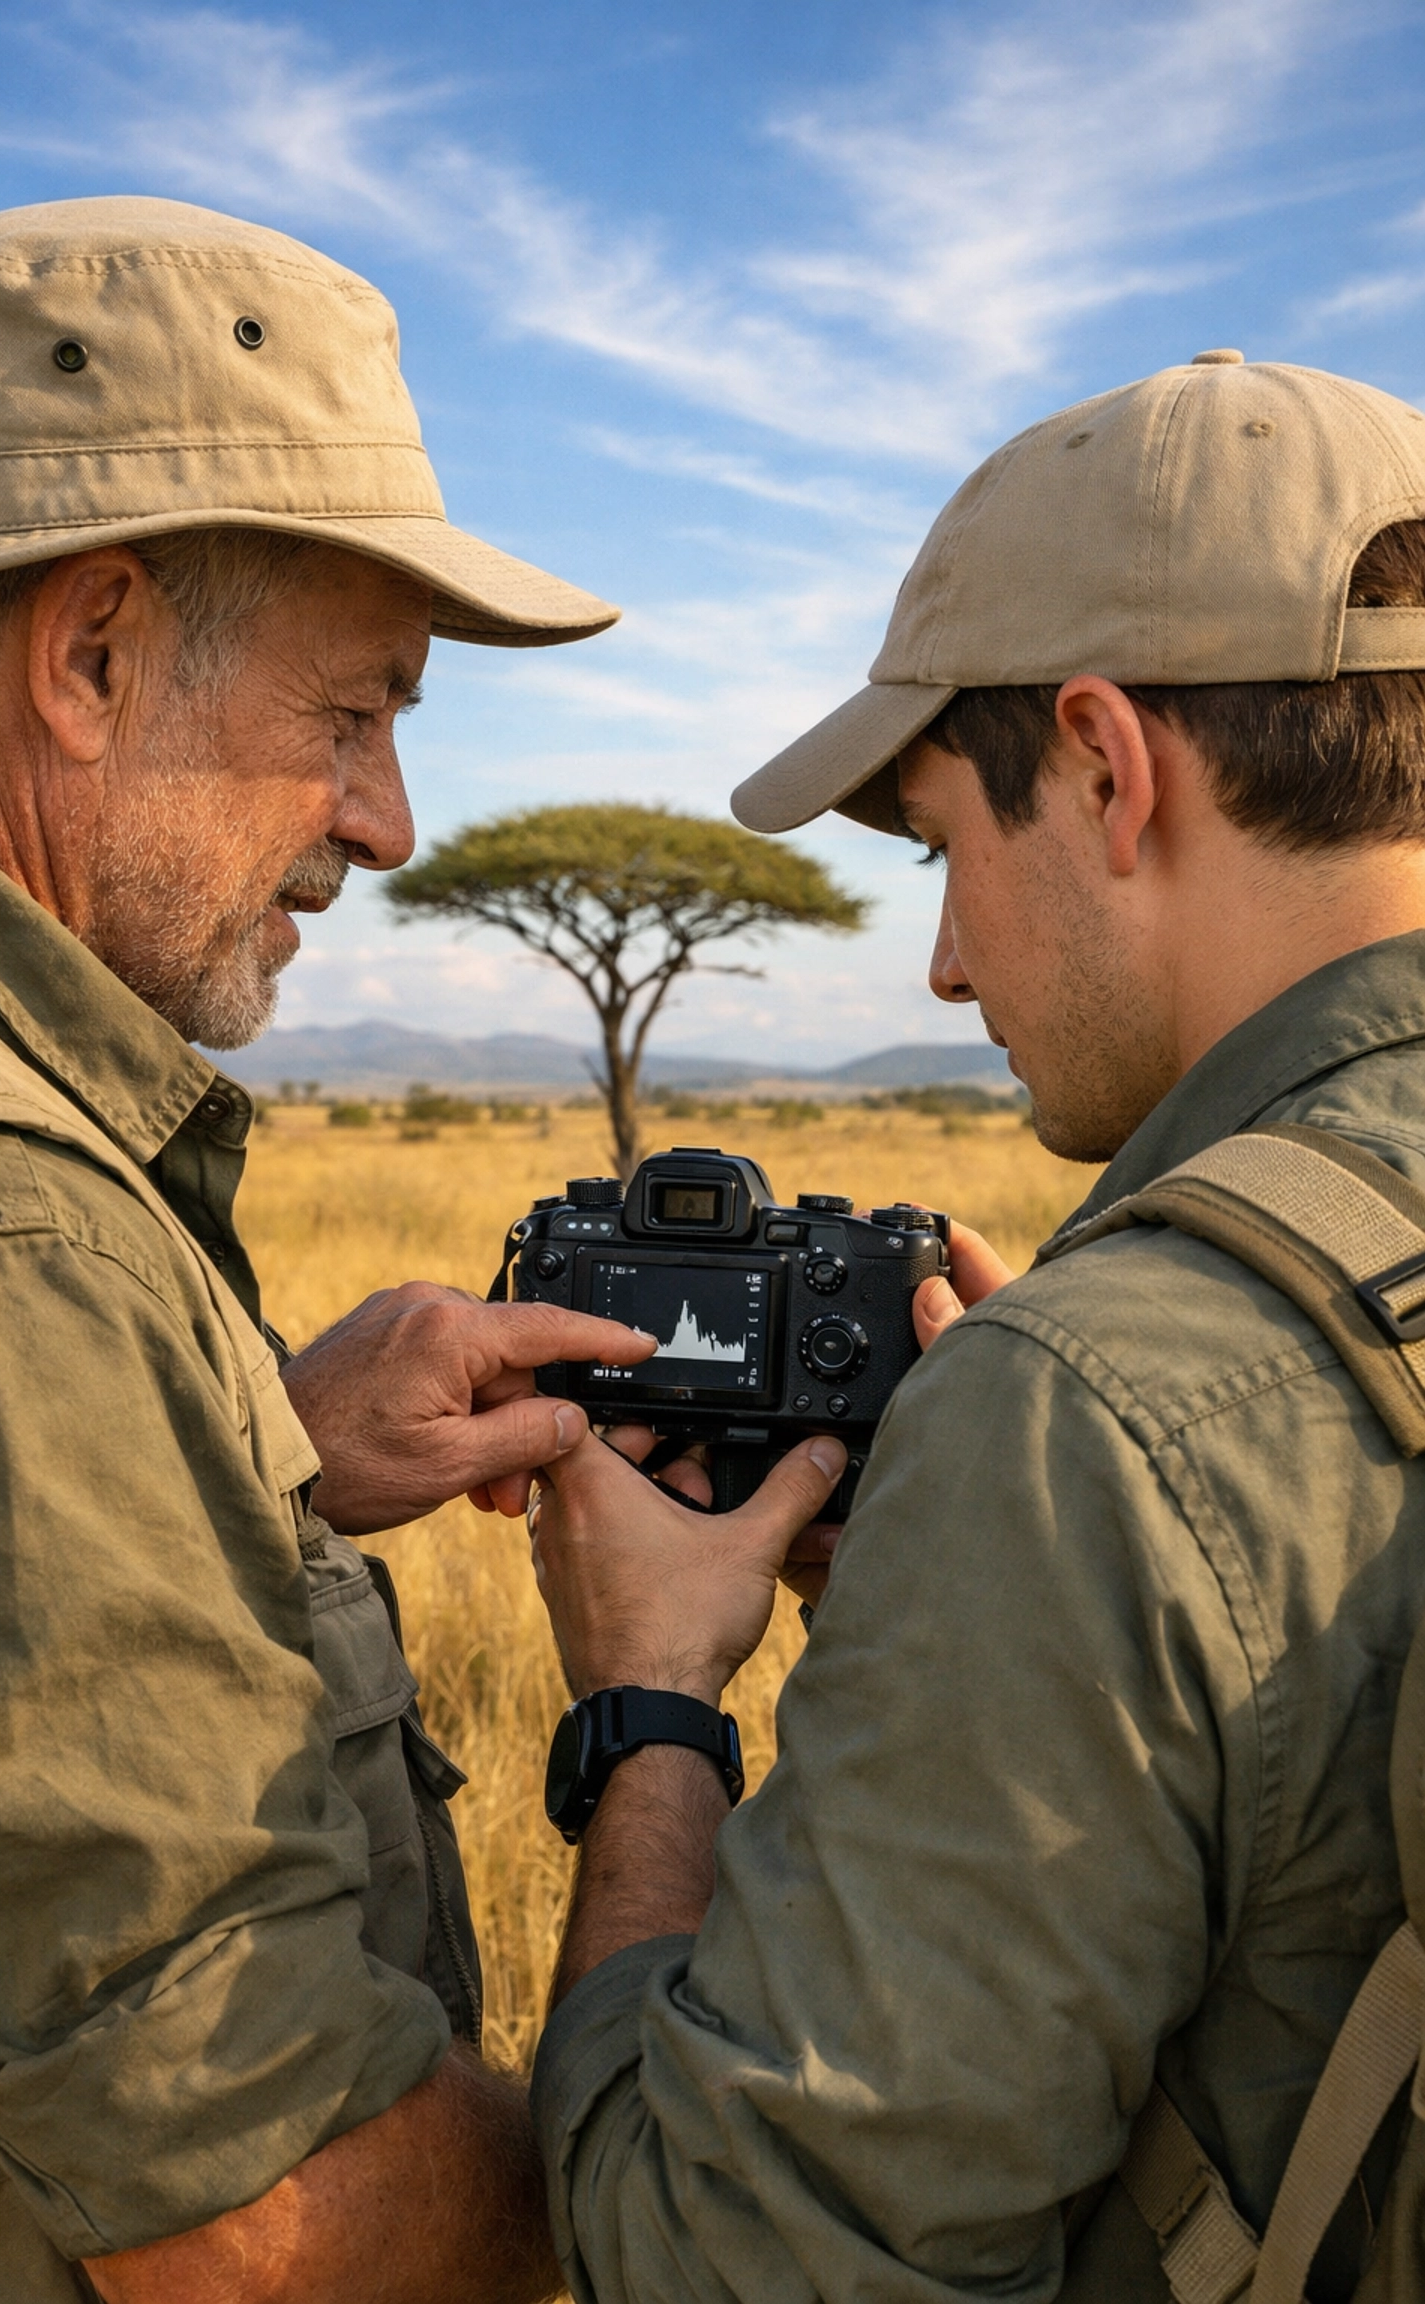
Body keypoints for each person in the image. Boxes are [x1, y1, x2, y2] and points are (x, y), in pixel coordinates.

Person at [525, 351, 1425, 2302]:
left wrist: (657, 1713)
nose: (943, 961)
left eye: (942, 846)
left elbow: (718, 2261)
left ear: (1107, 764)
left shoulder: (1091, 1411)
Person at [0, 195, 660, 2304]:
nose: (390, 821)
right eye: (356, 713)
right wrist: (660, 1738)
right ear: (92, 653)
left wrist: (248, 1461)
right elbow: (273, 2243)